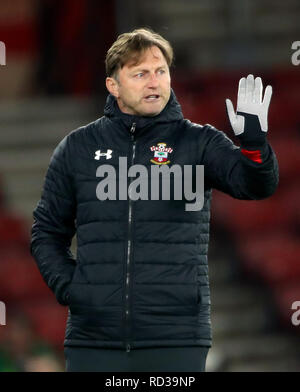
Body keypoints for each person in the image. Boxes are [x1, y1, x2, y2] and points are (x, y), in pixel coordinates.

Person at [30, 28, 279, 372]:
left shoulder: (199, 142)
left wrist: (254, 146)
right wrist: (74, 290)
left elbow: (256, 186)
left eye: (161, 71)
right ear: (113, 86)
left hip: (177, 337)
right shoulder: (77, 148)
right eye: (140, 73)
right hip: (94, 339)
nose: (154, 82)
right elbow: (46, 232)